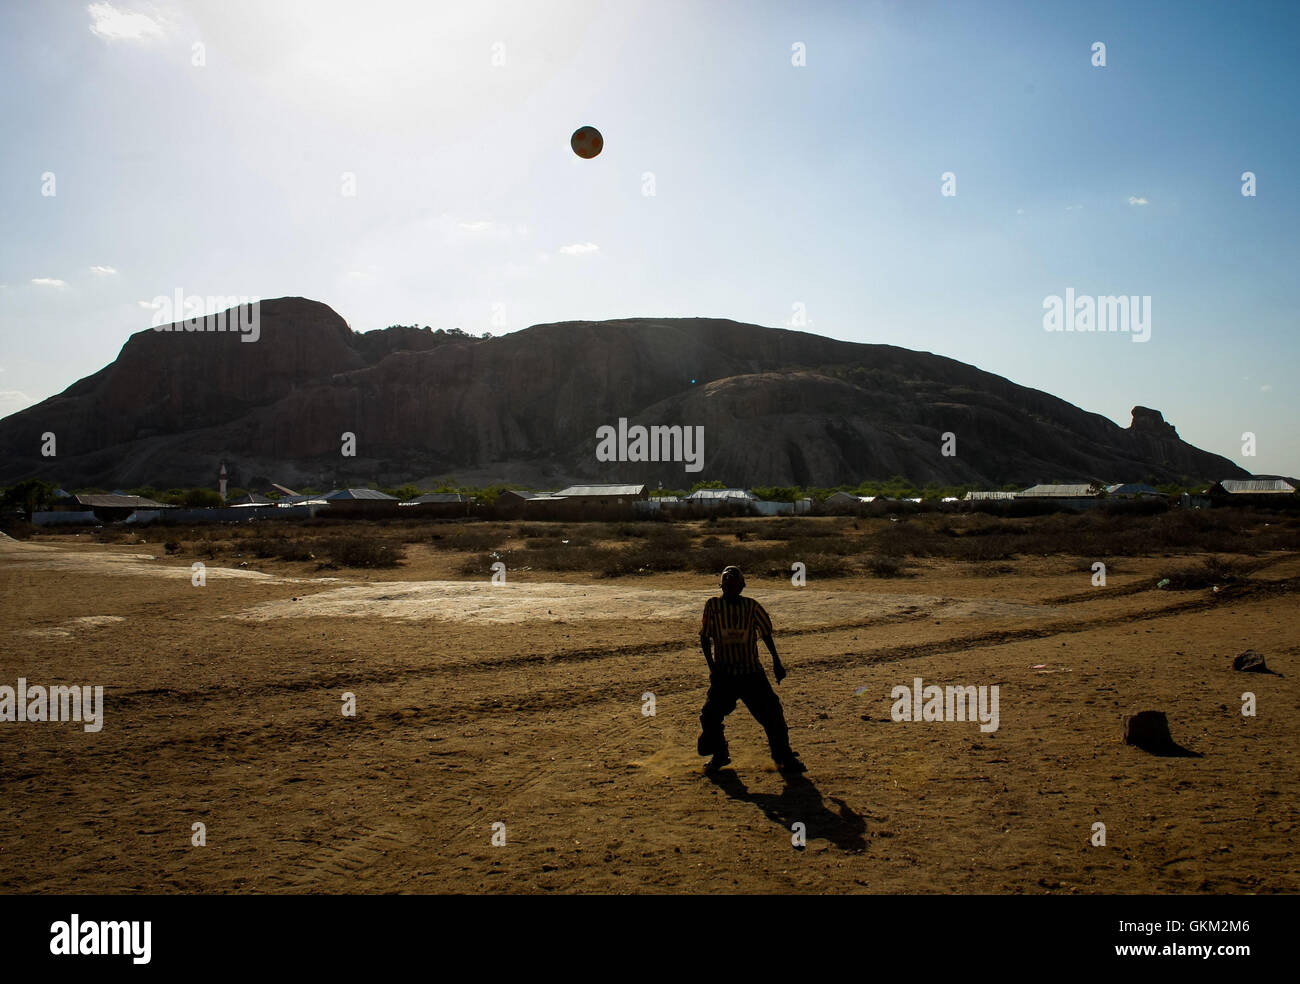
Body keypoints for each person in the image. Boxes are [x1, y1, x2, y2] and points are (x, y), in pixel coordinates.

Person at [697, 566, 806, 773]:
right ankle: (720, 755)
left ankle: (783, 757)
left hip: (751, 674)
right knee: (710, 716)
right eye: (727, 587)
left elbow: (766, 634)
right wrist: (713, 668)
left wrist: (776, 661)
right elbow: (705, 637)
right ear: (722, 587)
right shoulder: (712, 606)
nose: (730, 590)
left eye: (734, 587)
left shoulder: (752, 607)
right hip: (724, 675)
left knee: (773, 715)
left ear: (742, 587)